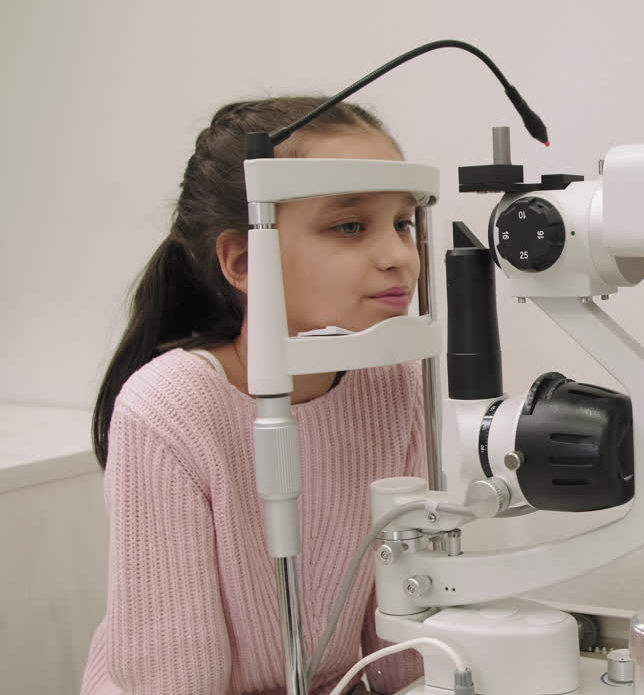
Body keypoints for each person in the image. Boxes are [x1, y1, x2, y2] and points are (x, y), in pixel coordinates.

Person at [83, 97, 426, 694]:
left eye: (403, 222)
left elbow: (402, 650)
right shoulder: (168, 409)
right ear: (244, 260)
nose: (399, 257)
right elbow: (174, 681)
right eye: (350, 226)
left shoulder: (390, 380)